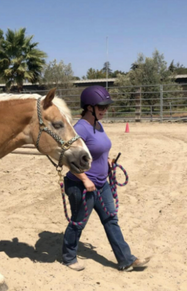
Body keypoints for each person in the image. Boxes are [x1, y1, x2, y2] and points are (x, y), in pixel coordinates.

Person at [62, 85, 150, 271]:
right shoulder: (80, 129)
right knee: (78, 223)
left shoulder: (98, 124)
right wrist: (85, 179)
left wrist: (107, 160)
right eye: (101, 107)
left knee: (111, 220)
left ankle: (126, 259)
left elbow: (96, 150)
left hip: (102, 183)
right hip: (81, 185)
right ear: (89, 107)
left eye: (106, 107)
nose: (105, 110)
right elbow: (68, 159)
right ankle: (69, 257)